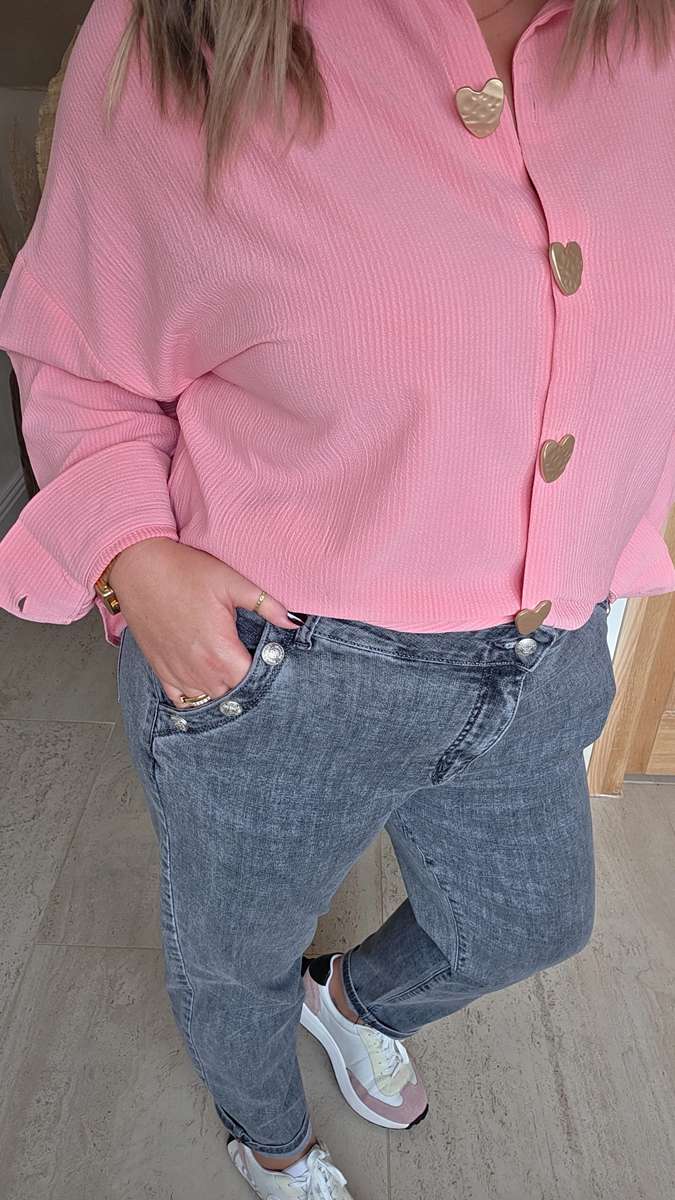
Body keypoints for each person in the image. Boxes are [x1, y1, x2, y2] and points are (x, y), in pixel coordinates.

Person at [0, 0, 673, 1196]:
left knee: (527, 923)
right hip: (283, 665)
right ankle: (269, 1138)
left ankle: (352, 1001)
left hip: (548, 651)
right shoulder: (182, 32)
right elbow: (76, 349)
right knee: (233, 959)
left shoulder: (646, 48)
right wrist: (130, 554)